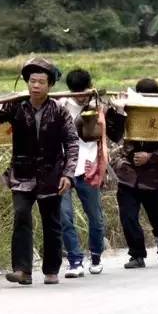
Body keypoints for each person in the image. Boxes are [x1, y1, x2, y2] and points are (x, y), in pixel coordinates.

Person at [0, 58, 77, 286]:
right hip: (22, 173)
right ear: (27, 83)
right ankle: (22, 270)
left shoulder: (60, 111)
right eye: (32, 81)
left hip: (51, 175)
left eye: (41, 82)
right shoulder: (16, 105)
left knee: (51, 222)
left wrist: (68, 174)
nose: (36, 86)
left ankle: (51, 269)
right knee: (21, 216)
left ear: (50, 86)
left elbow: (71, 143)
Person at [105, 78, 158, 269]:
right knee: (128, 216)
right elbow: (114, 135)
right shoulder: (127, 109)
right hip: (128, 174)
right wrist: (119, 112)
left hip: (155, 176)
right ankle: (137, 254)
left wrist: (151, 156)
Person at [57, 69, 108, 279]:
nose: (81, 96)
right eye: (76, 92)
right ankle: (74, 260)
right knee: (64, 216)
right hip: (64, 168)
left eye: (84, 91)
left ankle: (96, 256)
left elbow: (106, 133)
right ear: (71, 90)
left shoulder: (97, 106)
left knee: (95, 216)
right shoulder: (59, 105)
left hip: (89, 167)